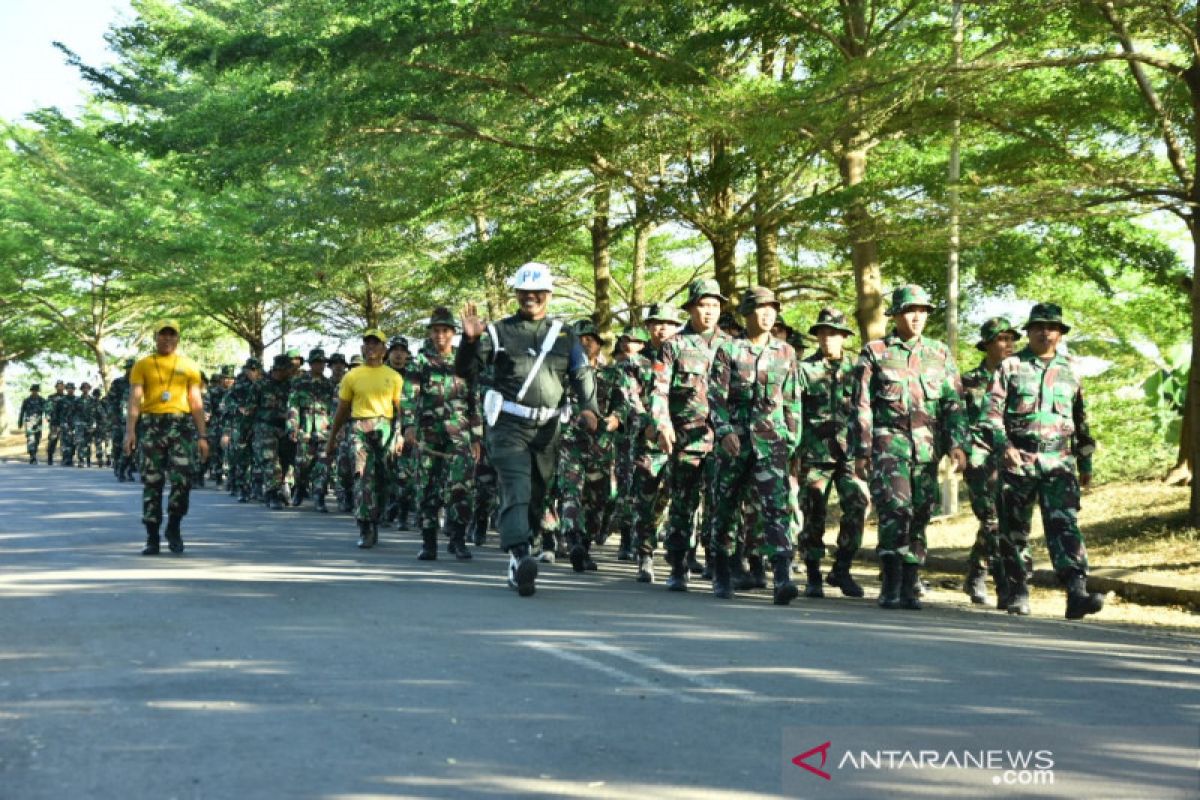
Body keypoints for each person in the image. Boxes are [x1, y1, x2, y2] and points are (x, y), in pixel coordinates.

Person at [455, 262, 600, 597]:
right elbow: (466, 370)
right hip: (508, 425)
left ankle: (518, 555)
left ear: (548, 294)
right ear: (516, 294)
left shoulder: (565, 335)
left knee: (538, 495)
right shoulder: (499, 331)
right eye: (524, 291)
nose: (530, 297)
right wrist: (469, 340)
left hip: (548, 428)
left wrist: (589, 408)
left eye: (537, 292)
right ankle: (520, 554)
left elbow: (581, 374)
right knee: (517, 485)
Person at [985, 303, 1104, 620]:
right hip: (1019, 458)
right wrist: (1004, 446)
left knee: (1064, 525)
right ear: (1028, 332)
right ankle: (1018, 590)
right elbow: (991, 417)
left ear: (1060, 333)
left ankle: (1076, 591)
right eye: (1037, 326)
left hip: (1059, 461)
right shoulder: (1010, 367)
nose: (1044, 332)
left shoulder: (1072, 370)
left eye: (1051, 327)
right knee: (1013, 531)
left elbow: (1082, 422)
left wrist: (1086, 464)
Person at [850, 285, 966, 610]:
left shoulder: (939, 354)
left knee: (920, 512)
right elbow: (861, 405)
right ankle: (891, 579)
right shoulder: (875, 352)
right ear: (897, 315)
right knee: (894, 509)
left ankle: (912, 577)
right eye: (909, 311)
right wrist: (862, 449)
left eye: (922, 311)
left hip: (928, 447)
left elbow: (953, 403)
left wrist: (958, 444)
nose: (916, 317)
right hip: (889, 444)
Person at [708, 287, 803, 604]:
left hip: (771, 440)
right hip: (735, 441)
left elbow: (792, 401)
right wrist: (723, 431)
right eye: (760, 308)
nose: (767, 314)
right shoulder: (728, 350)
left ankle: (782, 579)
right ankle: (722, 572)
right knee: (725, 507)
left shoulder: (785, 352)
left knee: (777, 508)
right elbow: (716, 397)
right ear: (747, 313)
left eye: (772, 309)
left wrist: (792, 440)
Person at [650, 278, 732, 591]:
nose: (709, 311)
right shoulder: (674, 345)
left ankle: (719, 565)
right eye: (703, 305)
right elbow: (659, 390)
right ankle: (678, 563)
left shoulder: (731, 345)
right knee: (683, 503)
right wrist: (662, 424)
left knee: (721, 505)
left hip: (723, 439)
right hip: (685, 437)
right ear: (691, 308)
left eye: (714, 305)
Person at [797, 307, 869, 599]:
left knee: (858, 504)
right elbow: (794, 411)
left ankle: (842, 568)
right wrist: (794, 453)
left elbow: (867, 410)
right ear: (817, 336)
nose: (829, 339)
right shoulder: (804, 370)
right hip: (814, 454)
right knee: (813, 511)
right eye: (824, 333)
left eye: (835, 334)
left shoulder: (857, 370)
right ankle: (813, 572)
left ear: (844, 337)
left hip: (849, 453)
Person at [124, 320, 208, 555]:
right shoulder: (143, 365)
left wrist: (203, 436)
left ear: (178, 338)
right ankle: (152, 537)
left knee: (182, 480)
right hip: (151, 425)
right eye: (163, 335)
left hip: (180, 426)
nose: (168, 339)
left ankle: (174, 527)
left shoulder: (190, 366)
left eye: (172, 335)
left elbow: (196, 402)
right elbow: (134, 400)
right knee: (152, 482)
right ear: (156, 337)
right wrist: (130, 431)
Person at [403, 309, 480, 560]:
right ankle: (428, 542)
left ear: (453, 333)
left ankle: (457, 539)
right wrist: (408, 426)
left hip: (459, 435)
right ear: (430, 332)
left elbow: (474, 399)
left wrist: (477, 437)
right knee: (427, 487)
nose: (440, 335)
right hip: (428, 434)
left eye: (445, 330)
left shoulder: (464, 360)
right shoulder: (420, 362)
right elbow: (409, 395)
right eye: (436, 330)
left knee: (461, 486)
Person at [325, 329, 405, 549]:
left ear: (384, 350)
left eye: (376, 344)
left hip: (385, 428)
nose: (371, 348)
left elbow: (401, 410)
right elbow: (341, 410)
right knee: (362, 476)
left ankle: (376, 516)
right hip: (359, 427)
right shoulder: (352, 376)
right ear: (362, 348)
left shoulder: (394, 376)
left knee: (383, 478)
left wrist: (399, 434)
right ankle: (365, 526)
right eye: (368, 344)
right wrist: (331, 440)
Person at [961, 318, 1019, 607]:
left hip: (1012, 458)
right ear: (986, 345)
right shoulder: (968, 381)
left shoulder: (1020, 377)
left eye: (1011, 339)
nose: (1008, 345)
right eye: (1001, 339)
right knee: (992, 519)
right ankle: (1001, 583)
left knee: (1006, 521)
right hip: (980, 457)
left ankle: (976, 571)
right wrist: (959, 451)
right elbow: (957, 420)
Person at [627, 304, 681, 581]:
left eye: (668, 324)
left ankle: (680, 553)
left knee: (677, 499)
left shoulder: (685, 356)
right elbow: (630, 399)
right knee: (645, 500)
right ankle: (645, 554)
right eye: (656, 323)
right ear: (648, 328)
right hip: (648, 442)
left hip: (681, 441)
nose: (662, 329)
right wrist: (648, 424)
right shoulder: (635, 362)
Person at [287, 349, 334, 509]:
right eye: (316, 362)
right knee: (302, 465)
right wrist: (293, 426)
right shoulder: (299, 383)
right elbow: (293, 406)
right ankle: (300, 488)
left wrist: (335, 429)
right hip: (305, 428)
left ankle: (319, 497)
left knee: (323, 465)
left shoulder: (329, 384)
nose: (320, 365)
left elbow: (335, 408)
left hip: (324, 430)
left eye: (322, 363)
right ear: (310, 363)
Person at [250, 355, 296, 510]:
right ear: (280, 369)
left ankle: (281, 489)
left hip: (286, 429)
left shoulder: (291, 386)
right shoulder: (261, 385)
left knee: (285, 461)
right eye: (289, 368)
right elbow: (250, 409)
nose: (292, 371)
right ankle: (271, 493)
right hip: (265, 429)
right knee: (271, 462)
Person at [18, 384, 47, 464]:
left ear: (38, 391)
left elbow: (46, 410)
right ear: (31, 391)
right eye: (33, 390)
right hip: (29, 422)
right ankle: (32, 456)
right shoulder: (26, 400)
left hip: (38, 423)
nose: (35, 392)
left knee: (37, 439)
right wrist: (20, 421)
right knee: (31, 439)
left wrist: (48, 417)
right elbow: (22, 411)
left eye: (36, 390)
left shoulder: (42, 400)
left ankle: (34, 453)